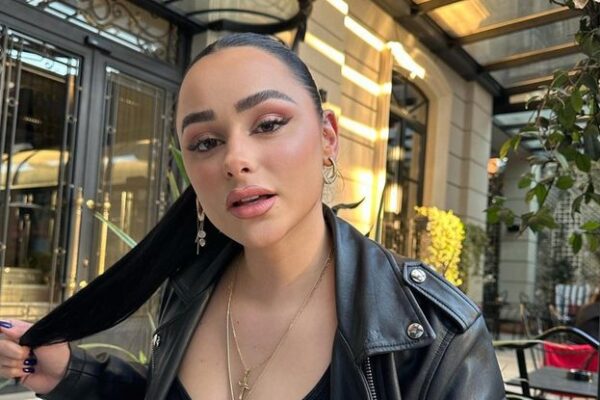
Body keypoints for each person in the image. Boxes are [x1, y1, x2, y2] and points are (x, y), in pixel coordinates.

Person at [0, 33, 505, 399]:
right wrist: (72, 373)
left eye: (268, 124)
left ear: (327, 136)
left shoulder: (436, 336)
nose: (235, 160)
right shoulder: (188, 287)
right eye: (206, 142)